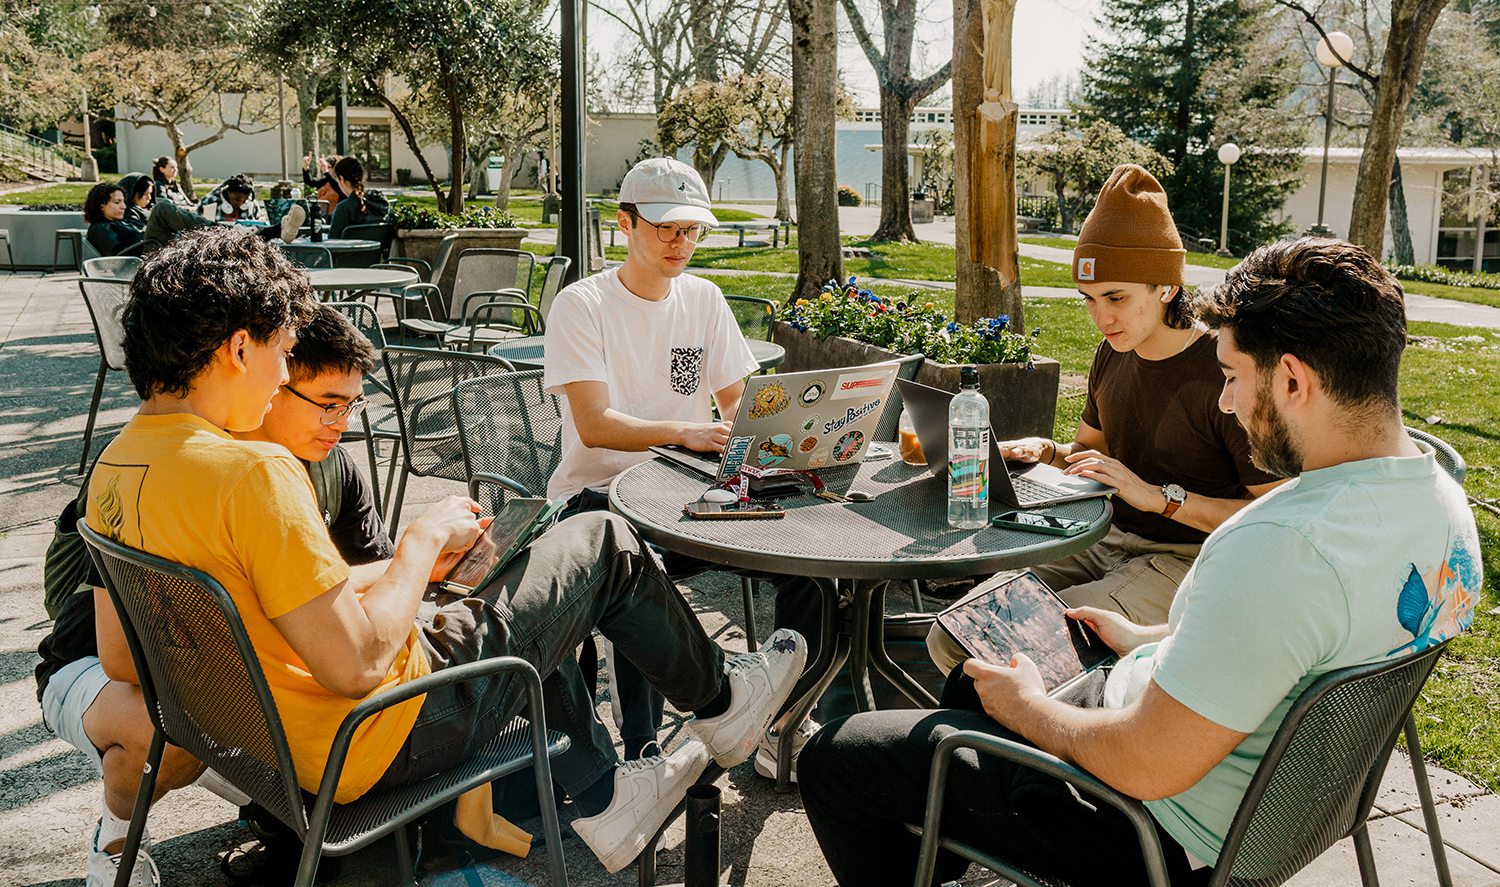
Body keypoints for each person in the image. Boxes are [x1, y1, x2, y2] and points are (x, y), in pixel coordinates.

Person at [83, 227, 807, 876]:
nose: (280, 378)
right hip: (374, 739)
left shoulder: (114, 469)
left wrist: (405, 576)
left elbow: (124, 660)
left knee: (520, 585)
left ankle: (611, 791)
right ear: (241, 346)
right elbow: (360, 663)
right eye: (279, 353)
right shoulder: (254, 474)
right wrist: (420, 542)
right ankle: (720, 704)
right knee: (599, 539)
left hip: (272, 747)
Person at [800, 237, 1482, 887]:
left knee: (837, 758)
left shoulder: (1282, 545)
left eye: (1233, 376)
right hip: (1269, 804)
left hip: (1153, 831)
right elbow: (1297, 645)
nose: (1225, 401)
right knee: (972, 679)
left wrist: (1035, 712)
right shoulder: (1442, 505)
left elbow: (1145, 765)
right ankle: (941, 839)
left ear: (1294, 380)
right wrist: (1150, 638)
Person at [37, 305, 391, 887]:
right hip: (110, 667)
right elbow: (125, 654)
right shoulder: (193, 471)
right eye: (327, 403)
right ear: (262, 376)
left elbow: (360, 578)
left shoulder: (331, 468)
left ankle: (294, 821)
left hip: (218, 667)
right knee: (181, 728)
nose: (343, 423)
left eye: (354, 404)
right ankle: (116, 836)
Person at [927, 164, 1281, 675]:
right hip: (1100, 537)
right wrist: (1047, 452)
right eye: (1090, 300)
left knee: (1017, 653)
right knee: (955, 635)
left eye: (1116, 298)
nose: (1101, 318)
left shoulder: (1224, 370)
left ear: (1165, 286)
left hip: (1187, 562)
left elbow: (1269, 519)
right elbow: (1095, 458)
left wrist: (1160, 499)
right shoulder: (1113, 351)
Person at [543, 157, 822, 778]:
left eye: (692, 230)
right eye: (667, 228)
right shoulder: (582, 304)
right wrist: (687, 431)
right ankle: (644, 750)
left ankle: (784, 725)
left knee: (807, 566)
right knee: (643, 578)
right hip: (599, 500)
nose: (681, 243)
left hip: (692, 495)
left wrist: (798, 435)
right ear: (625, 224)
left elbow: (739, 407)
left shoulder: (704, 297)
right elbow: (595, 425)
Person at [327, 155, 390, 238]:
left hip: (349, 250)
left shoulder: (344, 208)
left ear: (341, 179)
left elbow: (333, 241)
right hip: (378, 251)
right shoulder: (381, 202)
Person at [82, 182, 143, 257]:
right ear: (101, 206)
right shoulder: (101, 229)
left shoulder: (121, 222)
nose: (123, 206)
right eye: (117, 202)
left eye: (124, 202)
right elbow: (117, 256)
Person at [196, 173, 265, 224]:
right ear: (228, 192)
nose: (240, 203)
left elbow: (261, 224)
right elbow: (196, 224)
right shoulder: (209, 201)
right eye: (236, 199)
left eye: (244, 201)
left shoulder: (251, 203)